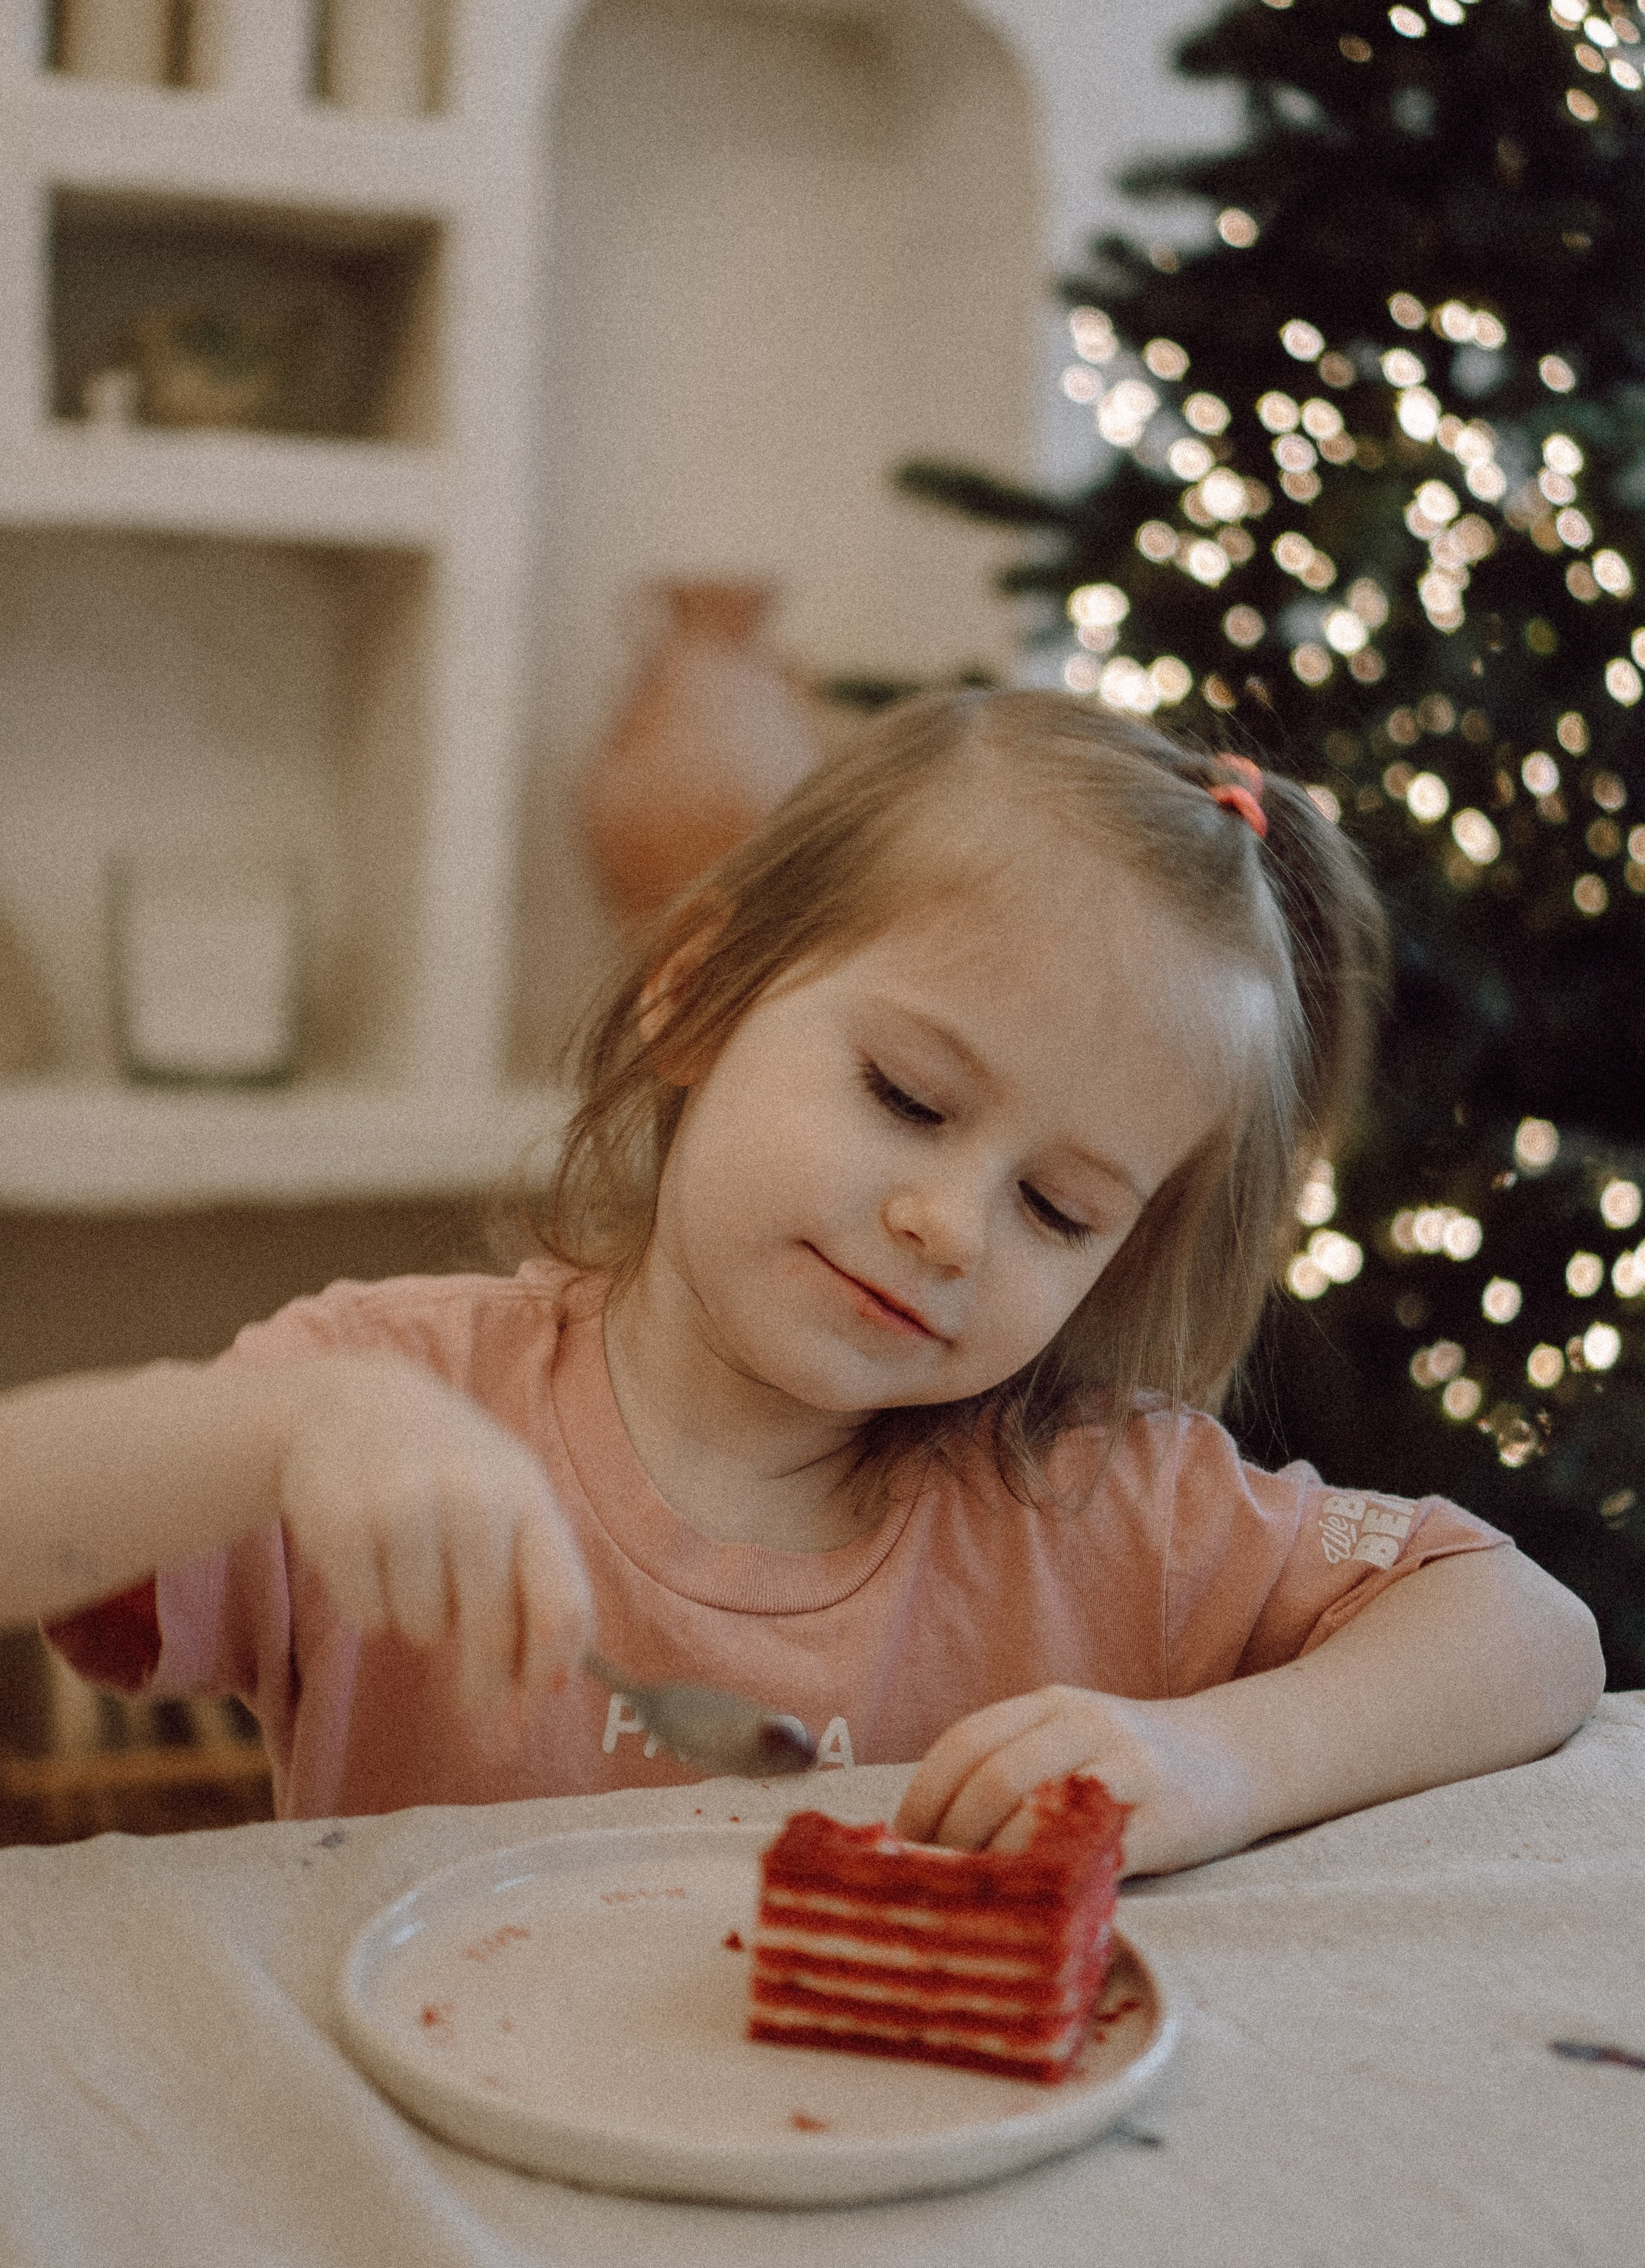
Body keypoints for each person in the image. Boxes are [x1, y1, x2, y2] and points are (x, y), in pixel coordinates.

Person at [0, 693, 1604, 1868]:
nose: (949, 1224)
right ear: (693, 1002)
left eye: (1056, 1208)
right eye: (907, 1098)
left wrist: (1217, 1760)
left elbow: (1527, 1633)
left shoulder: (1093, 1503)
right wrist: (284, 1430)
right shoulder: (399, 1405)